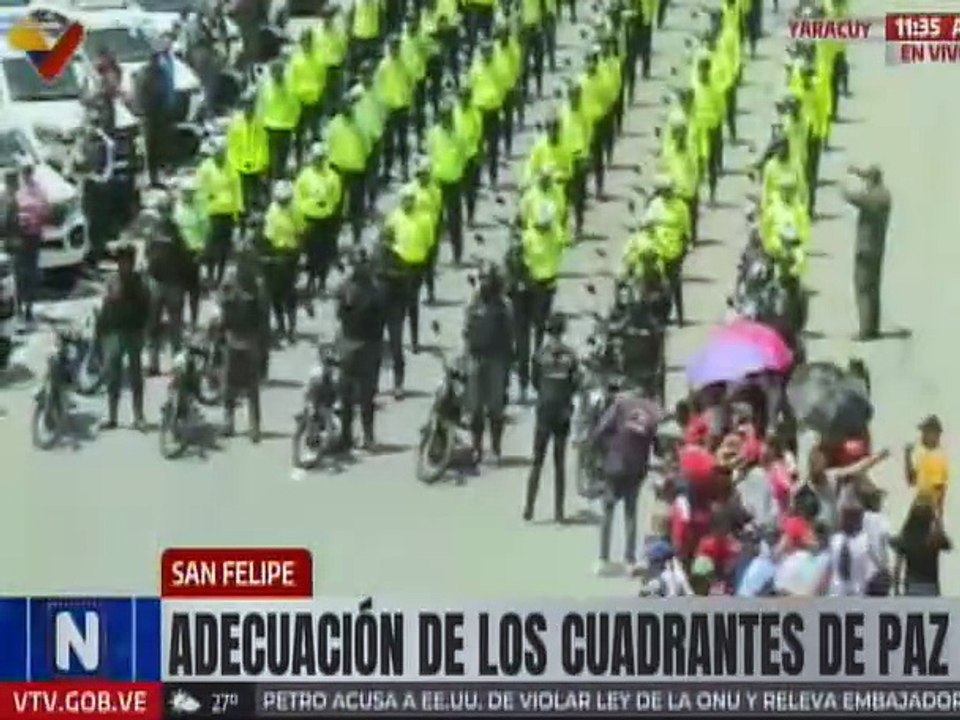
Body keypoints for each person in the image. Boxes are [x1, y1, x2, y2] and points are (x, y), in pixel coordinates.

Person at [590, 385, 663, 575]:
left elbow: (600, 431)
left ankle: (603, 559)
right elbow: (657, 445)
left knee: (608, 509)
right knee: (631, 511)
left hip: (616, 463)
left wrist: (602, 451)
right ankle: (629, 560)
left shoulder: (620, 405)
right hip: (638, 465)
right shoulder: (653, 411)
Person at [523, 312, 580, 523]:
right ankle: (559, 511)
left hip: (544, 410)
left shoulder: (539, 355)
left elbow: (534, 381)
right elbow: (575, 383)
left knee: (537, 460)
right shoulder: (571, 356)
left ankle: (529, 508)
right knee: (559, 462)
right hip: (563, 410)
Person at [335, 251, 386, 449]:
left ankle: (356, 436)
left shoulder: (349, 288)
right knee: (355, 394)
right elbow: (381, 319)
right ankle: (360, 436)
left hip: (358, 344)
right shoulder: (374, 290)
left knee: (358, 395)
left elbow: (340, 313)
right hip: (363, 344)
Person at [97, 243, 151, 430]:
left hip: (133, 332)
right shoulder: (112, 280)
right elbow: (105, 306)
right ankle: (112, 417)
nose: (122, 264)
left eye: (126, 260)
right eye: (120, 260)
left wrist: (146, 332)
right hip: (115, 332)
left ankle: (139, 416)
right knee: (114, 377)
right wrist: (100, 330)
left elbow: (148, 308)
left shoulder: (140, 282)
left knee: (136, 376)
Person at [462, 264, 513, 463]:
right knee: (474, 408)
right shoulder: (473, 304)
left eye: (487, 279)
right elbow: (466, 331)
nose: (484, 283)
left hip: (497, 360)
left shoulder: (503, 305)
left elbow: (511, 334)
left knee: (496, 407)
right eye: (481, 278)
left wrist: (509, 362)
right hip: (475, 358)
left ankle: (496, 448)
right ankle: (476, 447)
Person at [218, 264, 267, 442]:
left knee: (251, 387)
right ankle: (229, 421)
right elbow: (222, 308)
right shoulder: (230, 283)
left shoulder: (257, 288)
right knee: (229, 384)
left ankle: (254, 425)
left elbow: (263, 319)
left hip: (249, 340)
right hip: (234, 339)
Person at [841, 164, 891, 341]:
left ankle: (866, 330)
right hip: (876, 248)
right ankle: (873, 326)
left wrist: (843, 189)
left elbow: (854, 198)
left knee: (863, 288)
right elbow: (868, 179)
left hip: (866, 249)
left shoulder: (874, 199)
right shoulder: (884, 194)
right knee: (873, 289)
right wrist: (857, 172)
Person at [143, 196, 188, 376]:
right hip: (159, 283)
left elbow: (182, 257)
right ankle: (153, 363)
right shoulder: (160, 230)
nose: (164, 214)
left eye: (166, 210)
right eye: (163, 210)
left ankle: (177, 363)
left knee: (174, 325)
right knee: (153, 324)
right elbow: (147, 254)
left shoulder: (171, 231)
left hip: (171, 283)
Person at [294, 143, 343, 300]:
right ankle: (310, 282)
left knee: (324, 255)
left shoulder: (332, 176)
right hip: (309, 219)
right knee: (310, 253)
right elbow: (298, 198)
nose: (318, 161)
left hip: (326, 220)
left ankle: (321, 283)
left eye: (321, 158)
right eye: (316, 158)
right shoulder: (304, 176)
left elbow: (336, 198)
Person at [195, 141, 243, 285]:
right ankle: (210, 275)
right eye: (217, 154)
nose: (220, 156)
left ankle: (220, 277)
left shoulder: (231, 167)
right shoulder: (205, 168)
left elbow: (237, 190)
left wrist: (237, 212)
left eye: (222, 153)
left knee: (224, 248)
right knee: (211, 246)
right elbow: (200, 190)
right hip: (211, 213)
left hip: (227, 213)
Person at [262, 181, 304, 343]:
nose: (283, 202)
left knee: (290, 294)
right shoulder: (272, 211)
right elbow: (268, 236)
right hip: (276, 253)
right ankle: (280, 326)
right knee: (275, 294)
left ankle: (292, 328)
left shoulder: (295, 209)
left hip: (291, 255)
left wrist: (299, 255)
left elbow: (300, 232)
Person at [72, 118, 115, 266]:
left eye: (97, 125)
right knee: (87, 219)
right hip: (87, 185)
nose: (94, 128)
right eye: (92, 124)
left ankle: (98, 250)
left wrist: (102, 178)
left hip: (100, 186)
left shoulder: (105, 143)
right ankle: (88, 253)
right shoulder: (82, 142)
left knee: (100, 219)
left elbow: (109, 165)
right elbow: (75, 163)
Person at [427, 103, 467, 264]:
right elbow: (430, 153)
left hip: (454, 182)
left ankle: (457, 255)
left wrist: (458, 171)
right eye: (443, 116)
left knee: (454, 221)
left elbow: (463, 155)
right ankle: (433, 256)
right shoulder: (433, 134)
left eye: (448, 116)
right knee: (435, 221)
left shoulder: (459, 134)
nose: (446, 119)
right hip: (437, 182)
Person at [891, 496, 951, 596]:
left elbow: (897, 568)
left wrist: (896, 590)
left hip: (912, 586)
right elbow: (947, 544)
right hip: (931, 586)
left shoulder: (906, 538)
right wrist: (937, 517)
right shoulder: (932, 540)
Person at [13, 158, 49, 324]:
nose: (26, 174)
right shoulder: (17, 190)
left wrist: (33, 219)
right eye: (24, 171)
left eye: (28, 171)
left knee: (30, 271)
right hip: (19, 237)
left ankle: (28, 306)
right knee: (19, 272)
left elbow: (44, 210)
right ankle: (19, 306)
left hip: (33, 236)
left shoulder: (38, 190)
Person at [136, 48, 175, 187]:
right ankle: (152, 177)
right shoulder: (145, 74)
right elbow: (140, 94)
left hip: (160, 114)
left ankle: (160, 175)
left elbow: (168, 91)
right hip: (150, 114)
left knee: (161, 146)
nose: (156, 61)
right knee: (151, 147)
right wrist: (141, 111)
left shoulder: (162, 73)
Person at [257, 60, 301, 181]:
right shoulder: (266, 86)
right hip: (269, 127)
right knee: (269, 158)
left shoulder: (290, 85)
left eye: (279, 71)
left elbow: (296, 106)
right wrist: (261, 123)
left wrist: (293, 123)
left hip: (285, 127)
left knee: (282, 158)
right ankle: (270, 181)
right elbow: (261, 105)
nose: (277, 74)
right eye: (274, 72)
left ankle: (279, 180)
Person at [172, 177, 208, 326]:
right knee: (178, 291)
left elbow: (205, 231)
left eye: (191, 192)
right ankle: (179, 321)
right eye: (186, 192)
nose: (188, 195)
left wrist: (203, 250)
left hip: (194, 253)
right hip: (178, 253)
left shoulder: (199, 208)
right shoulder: (176, 208)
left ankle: (194, 320)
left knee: (194, 292)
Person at [226, 95, 270, 212]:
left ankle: (255, 214)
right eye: (246, 105)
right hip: (239, 165)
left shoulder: (260, 121)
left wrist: (263, 162)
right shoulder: (235, 122)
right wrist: (234, 163)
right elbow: (232, 145)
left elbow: (263, 144)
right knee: (242, 194)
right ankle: (243, 216)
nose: (249, 108)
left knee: (256, 192)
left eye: (251, 105)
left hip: (256, 165)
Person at [905, 414, 949, 517]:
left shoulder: (938, 457)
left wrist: (938, 518)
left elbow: (939, 491)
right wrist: (907, 457)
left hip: (928, 510)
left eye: (925, 432)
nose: (922, 436)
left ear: (935, 434)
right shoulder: (924, 456)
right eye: (922, 432)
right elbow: (912, 481)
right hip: (919, 506)